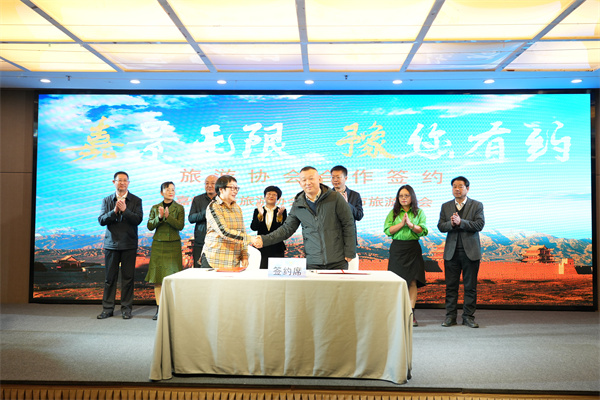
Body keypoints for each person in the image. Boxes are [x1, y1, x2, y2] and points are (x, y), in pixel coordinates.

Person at [254, 166, 356, 270]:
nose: (308, 183)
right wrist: (264, 239)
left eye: (311, 178)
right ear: (300, 183)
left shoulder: (335, 197)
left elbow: (348, 224)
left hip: (337, 260)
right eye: (304, 180)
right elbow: (286, 229)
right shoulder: (298, 204)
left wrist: (350, 251)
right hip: (312, 261)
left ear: (319, 179)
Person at [437, 176, 485, 328]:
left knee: (470, 287)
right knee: (451, 287)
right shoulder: (446, 206)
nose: (457, 189)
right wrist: (451, 224)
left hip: (470, 252)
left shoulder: (476, 205)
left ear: (467, 189)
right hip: (451, 253)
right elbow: (440, 226)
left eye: (460, 186)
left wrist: (461, 222)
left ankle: (468, 317)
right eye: (454, 186)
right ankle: (450, 317)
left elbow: (479, 225)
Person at [97, 171, 143, 320]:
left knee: (128, 278)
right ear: (114, 182)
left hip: (129, 244)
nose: (122, 183)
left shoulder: (136, 200)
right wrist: (114, 211)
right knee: (110, 279)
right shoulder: (107, 200)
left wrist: (125, 211)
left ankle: (126, 309)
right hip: (111, 244)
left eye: (125, 180)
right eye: (119, 180)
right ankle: (107, 309)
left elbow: (138, 220)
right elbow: (101, 220)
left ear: (128, 183)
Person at [384, 185, 428, 327]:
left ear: (412, 197)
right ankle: (397, 312)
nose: (403, 198)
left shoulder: (419, 212)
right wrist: (402, 223)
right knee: (397, 282)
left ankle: (411, 313)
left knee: (413, 281)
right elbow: (388, 230)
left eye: (406, 195)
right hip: (397, 249)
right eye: (401, 196)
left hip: (412, 248)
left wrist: (410, 225)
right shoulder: (393, 213)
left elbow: (423, 230)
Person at [146, 181, 185, 320]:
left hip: (173, 245)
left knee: (173, 278)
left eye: (173, 189)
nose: (171, 192)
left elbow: (180, 226)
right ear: (161, 192)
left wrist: (168, 217)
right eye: (167, 189)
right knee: (158, 278)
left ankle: (173, 309)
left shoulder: (179, 208)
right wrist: (160, 217)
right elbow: (150, 226)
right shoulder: (155, 207)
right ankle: (159, 309)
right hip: (159, 245)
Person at [202, 175, 253, 270]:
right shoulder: (214, 207)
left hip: (233, 261)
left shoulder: (237, 208)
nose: (235, 191)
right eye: (232, 188)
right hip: (214, 260)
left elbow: (242, 232)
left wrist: (244, 255)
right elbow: (224, 232)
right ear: (221, 189)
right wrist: (251, 239)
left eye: (237, 188)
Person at [250, 186, 287, 269]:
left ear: (278, 198)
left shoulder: (282, 211)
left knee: (277, 271)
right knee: (261, 271)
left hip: (277, 247)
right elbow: (254, 227)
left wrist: (279, 217)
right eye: (269, 194)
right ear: (264, 196)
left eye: (274, 195)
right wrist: (260, 215)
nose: (271, 196)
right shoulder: (257, 210)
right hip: (261, 246)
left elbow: (284, 230)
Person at [188, 175, 218, 267]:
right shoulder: (197, 199)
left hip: (218, 243)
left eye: (213, 183)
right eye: (207, 183)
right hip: (201, 241)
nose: (209, 186)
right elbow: (191, 218)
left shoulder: (222, 200)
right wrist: (206, 212)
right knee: (199, 270)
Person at [330, 165, 364, 232]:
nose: (335, 180)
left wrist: (347, 204)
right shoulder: (326, 195)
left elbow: (359, 216)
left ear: (345, 178)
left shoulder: (355, 195)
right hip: (331, 234)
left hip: (349, 234)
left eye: (338, 177)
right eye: (333, 177)